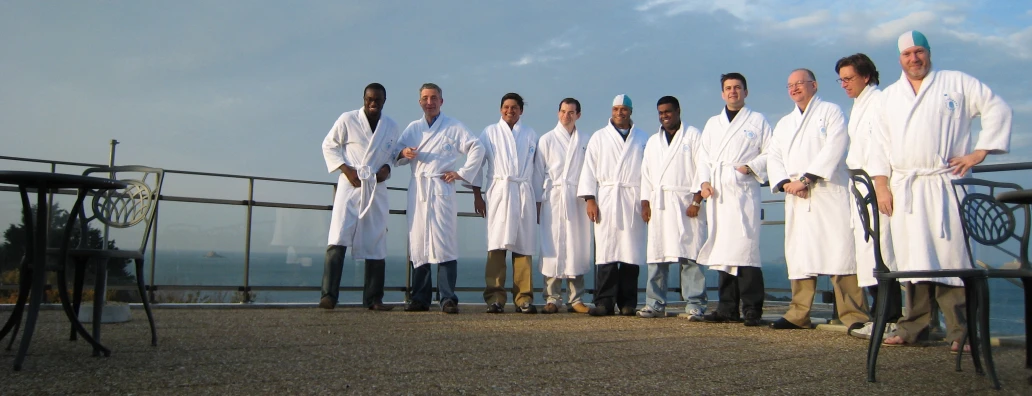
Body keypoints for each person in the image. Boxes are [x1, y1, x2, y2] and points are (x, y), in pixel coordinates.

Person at [869, 31, 1012, 351]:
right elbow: (877, 145)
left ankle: (962, 330)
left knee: (952, 257)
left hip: (947, 185)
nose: (914, 59)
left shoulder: (957, 83)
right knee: (913, 259)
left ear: (929, 54)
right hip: (907, 188)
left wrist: (980, 152)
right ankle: (915, 326)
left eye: (919, 52)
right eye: (907, 54)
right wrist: (882, 186)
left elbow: (996, 108)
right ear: (900, 59)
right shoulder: (889, 97)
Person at [767, 69, 870, 330]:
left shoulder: (832, 111)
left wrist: (806, 179)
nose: (794, 89)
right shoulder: (785, 123)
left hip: (827, 191)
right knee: (801, 254)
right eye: (790, 85)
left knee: (840, 252)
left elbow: (836, 146)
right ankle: (798, 313)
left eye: (799, 83)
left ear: (814, 85)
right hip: (796, 196)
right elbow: (773, 156)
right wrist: (785, 184)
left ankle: (853, 314)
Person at [395, 83, 486, 314]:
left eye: (434, 98)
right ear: (419, 102)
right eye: (425, 98)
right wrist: (404, 153)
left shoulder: (454, 126)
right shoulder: (413, 128)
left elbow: (477, 147)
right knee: (419, 243)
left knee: (445, 242)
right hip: (419, 189)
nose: (429, 102)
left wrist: (461, 173)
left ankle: (447, 298)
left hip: (441, 188)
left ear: (441, 101)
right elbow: (396, 153)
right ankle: (420, 298)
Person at [834, 53, 903, 339]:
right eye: (841, 80)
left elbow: (881, 147)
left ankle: (891, 316)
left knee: (884, 253)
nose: (844, 84)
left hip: (877, 185)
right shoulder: (860, 105)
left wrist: (880, 185)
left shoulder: (878, 102)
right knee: (871, 253)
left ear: (866, 76)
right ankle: (881, 314)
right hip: (863, 188)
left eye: (849, 79)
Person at [696, 73, 771, 327]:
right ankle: (727, 307)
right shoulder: (712, 123)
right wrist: (704, 182)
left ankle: (752, 308)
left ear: (746, 92)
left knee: (747, 250)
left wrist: (750, 167)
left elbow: (771, 152)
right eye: (728, 88)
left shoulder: (758, 120)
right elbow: (703, 158)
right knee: (723, 250)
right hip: (719, 193)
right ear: (722, 93)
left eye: (737, 88)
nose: (733, 92)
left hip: (743, 192)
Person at [319, 82, 401, 311]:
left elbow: (393, 155)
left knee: (376, 240)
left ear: (384, 100)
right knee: (338, 237)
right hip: (350, 185)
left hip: (376, 186)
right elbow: (329, 146)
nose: (373, 103)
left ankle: (374, 299)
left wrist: (387, 168)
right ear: (363, 99)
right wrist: (347, 170)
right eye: (369, 99)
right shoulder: (347, 119)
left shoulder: (392, 126)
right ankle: (328, 296)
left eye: (377, 100)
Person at [469, 93, 543, 314]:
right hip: (499, 193)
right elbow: (476, 164)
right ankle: (495, 297)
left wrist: (537, 201)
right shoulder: (490, 132)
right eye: (506, 107)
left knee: (523, 247)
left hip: (523, 192)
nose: (510, 111)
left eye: (514, 107)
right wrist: (477, 195)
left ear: (521, 110)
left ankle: (523, 298)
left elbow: (538, 171)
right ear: (500, 109)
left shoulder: (530, 134)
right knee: (496, 246)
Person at [637, 96, 708, 318]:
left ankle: (695, 303)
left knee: (690, 254)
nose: (664, 116)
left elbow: (702, 168)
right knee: (658, 255)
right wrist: (645, 203)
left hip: (685, 202)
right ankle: (655, 303)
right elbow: (646, 175)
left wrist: (697, 200)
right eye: (660, 112)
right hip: (660, 204)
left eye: (668, 111)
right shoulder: (652, 141)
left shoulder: (693, 136)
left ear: (678, 111)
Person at [577, 94, 649, 317]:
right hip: (607, 197)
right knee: (606, 251)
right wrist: (590, 199)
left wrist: (646, 201)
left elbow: (648, 173)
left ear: (630, 111)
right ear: (611, 111)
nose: (620, 113)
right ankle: (604, 301)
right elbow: (588, 169)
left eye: (624, 109)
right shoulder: (599, 138)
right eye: (616, 109)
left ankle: (628, 302)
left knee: (631, 251)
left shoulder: (643, 138)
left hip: (632, 198)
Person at [537, 98, 592, 314]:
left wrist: (590, 198)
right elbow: (536, 173)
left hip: (576, 199)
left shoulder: (586, 140)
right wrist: (537, 203)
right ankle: (552, 297)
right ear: (557, 113)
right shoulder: (547, 139)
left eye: (570, 112)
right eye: (562, 111)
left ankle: (576, 299)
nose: (565, 116)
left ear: (578, 114)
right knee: (551, 247)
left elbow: (590, 172)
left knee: (576, 247)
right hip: (554, 197)